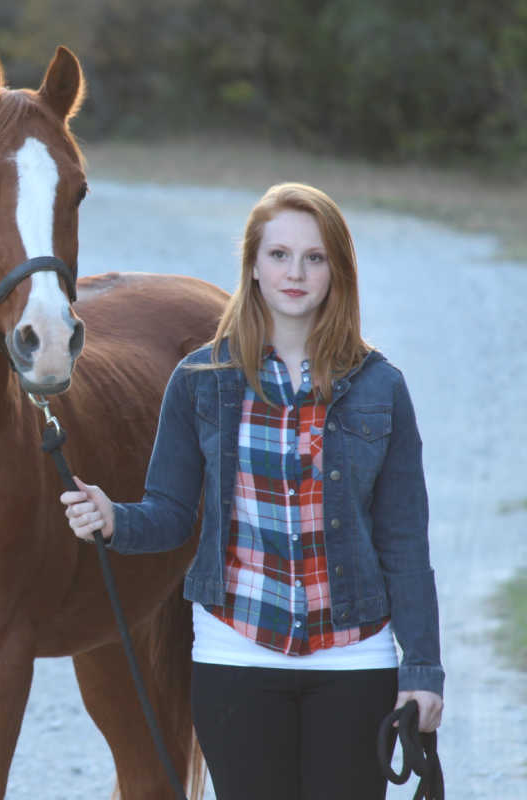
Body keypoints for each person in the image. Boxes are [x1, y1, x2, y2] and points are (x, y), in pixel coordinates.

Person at [59, 182, 443, 799]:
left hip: (353, 659)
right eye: (279, 255)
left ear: (337, 272)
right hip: (237, 658)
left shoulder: (380, 388)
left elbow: (403, 541)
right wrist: (114, 519)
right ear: (254, 267)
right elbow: (172, 513)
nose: (295, 273)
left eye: (314, 258)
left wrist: (422, 670)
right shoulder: (200, 381)